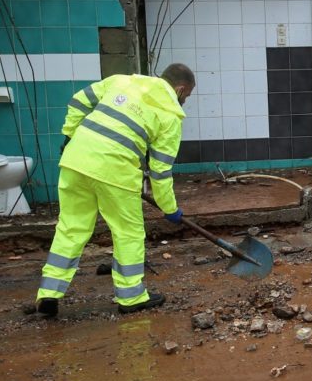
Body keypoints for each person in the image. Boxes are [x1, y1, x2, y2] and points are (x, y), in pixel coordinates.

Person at [35, 64, 195, 317]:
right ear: (180, 89)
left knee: (70, 228)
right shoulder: (170, 116)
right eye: (186, 97)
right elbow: (160, 172)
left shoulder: (121, 80)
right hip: (116, 172)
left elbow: (77, 101)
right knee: (128, 232)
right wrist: (170, 209)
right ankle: (131, 296)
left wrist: (69, 137)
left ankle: (48, 294)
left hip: (75, 160)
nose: (184, 101)